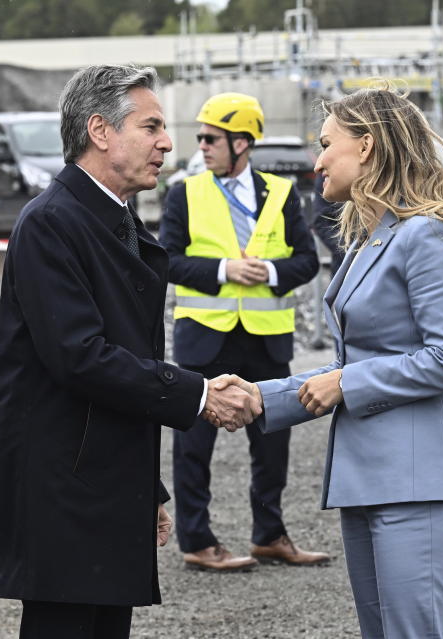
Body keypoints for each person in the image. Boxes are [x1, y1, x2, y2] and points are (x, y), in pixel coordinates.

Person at [0, 65, 260, 639]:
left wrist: (144, 486)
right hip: (64, 493)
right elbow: (80, 357)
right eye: (151, 126)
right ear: (100, 132)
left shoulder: (113, 219)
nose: (167, 142)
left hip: (103, 485)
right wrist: (200, 393)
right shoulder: (52, 223)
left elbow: (126, 356)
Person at [215, 85, 443, 639]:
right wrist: (262, 396)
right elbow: (357, 363)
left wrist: (347, 381)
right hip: (371, 480)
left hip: (419, 483)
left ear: (368, 146)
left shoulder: (424, 233)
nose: (317, 159)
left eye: (327, 144)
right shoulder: (371, 238)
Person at [160, 93, 328, 572]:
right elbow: (167, 260)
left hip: (266, 337)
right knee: (193, 446)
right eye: (201, 138)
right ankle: (197, 540)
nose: (202, 146)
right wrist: (225, 268)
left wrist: (270, 275)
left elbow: (305, 261)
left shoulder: (280, 193)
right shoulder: (184, 193)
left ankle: (270, 536)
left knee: (273, 446)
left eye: (211, 138)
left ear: (242, 142)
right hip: (206, 336)